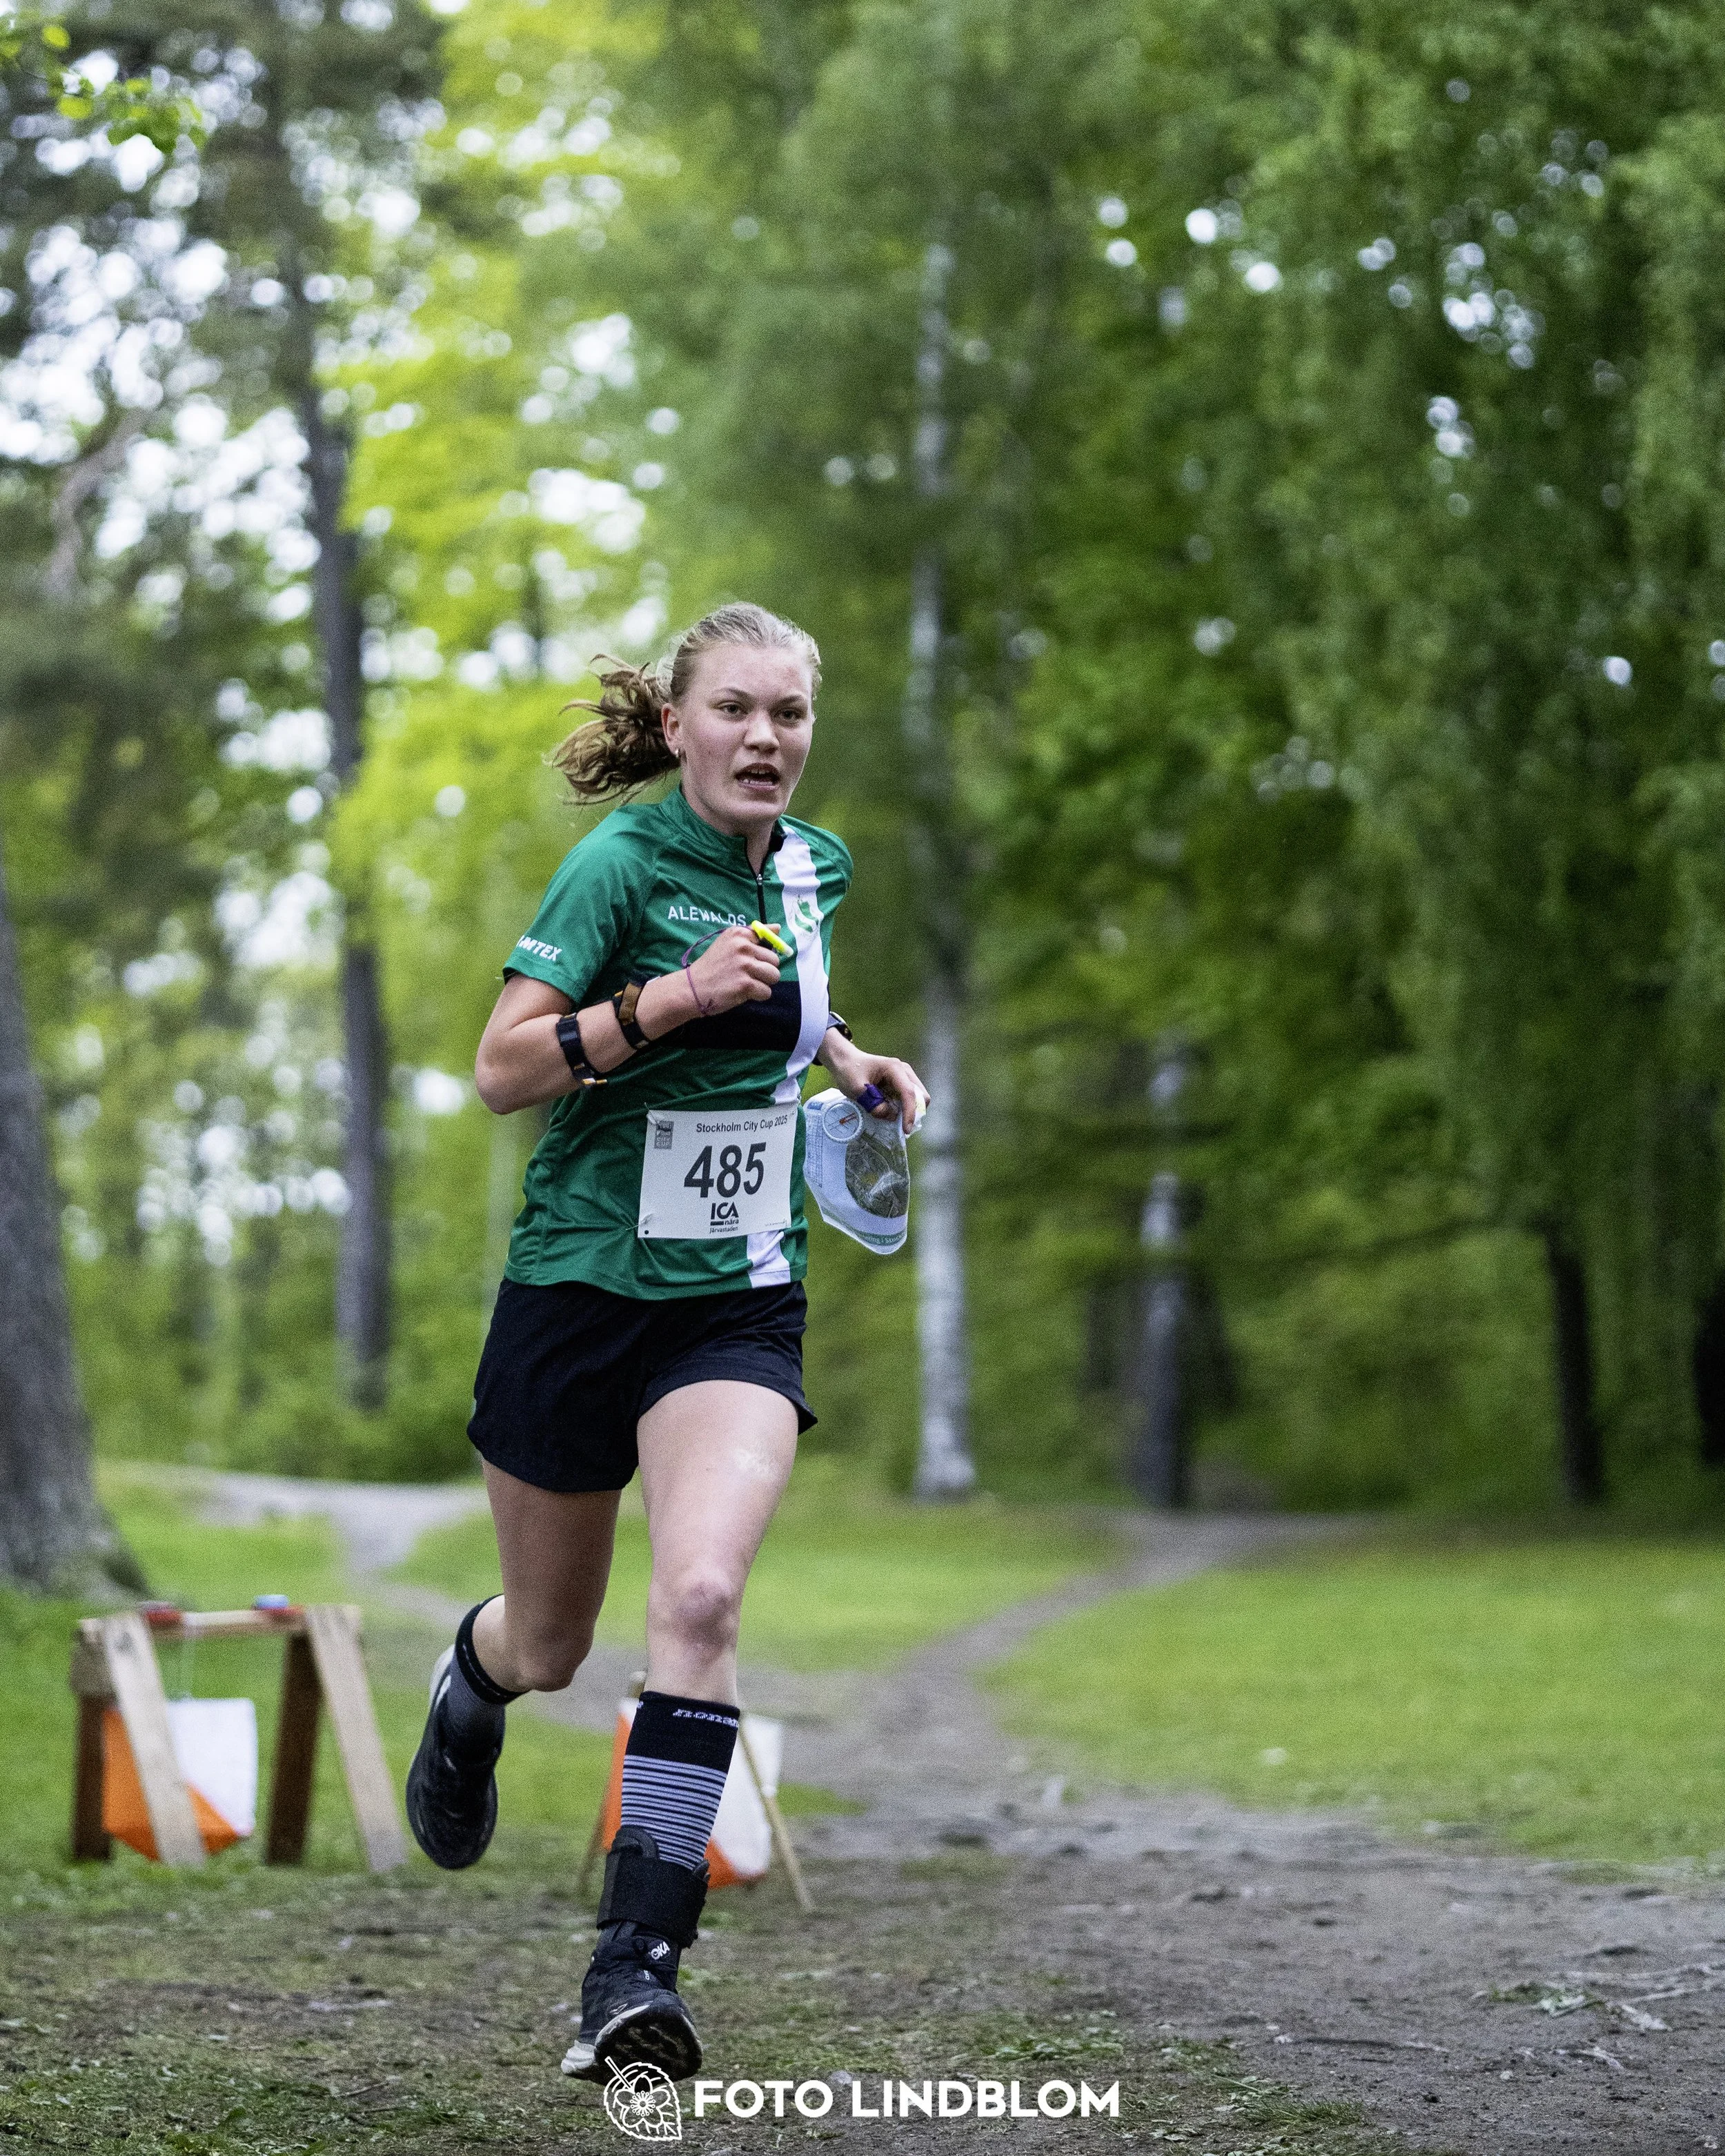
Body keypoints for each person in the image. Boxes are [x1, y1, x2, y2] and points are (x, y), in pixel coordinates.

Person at [404, 602, 926, 2085]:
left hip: (736, 1295)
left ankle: (632, 1972)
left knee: (698, 1595)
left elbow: (789, 987)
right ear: (681, 725)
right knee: (553, 1641)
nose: (767, 738)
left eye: (790, 714)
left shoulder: (816, 867)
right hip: (577, 1288)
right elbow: (504, 1066)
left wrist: (849, 1054)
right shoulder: (618, 864)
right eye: (738, 712)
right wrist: (663, 1003)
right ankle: (472, 1679)